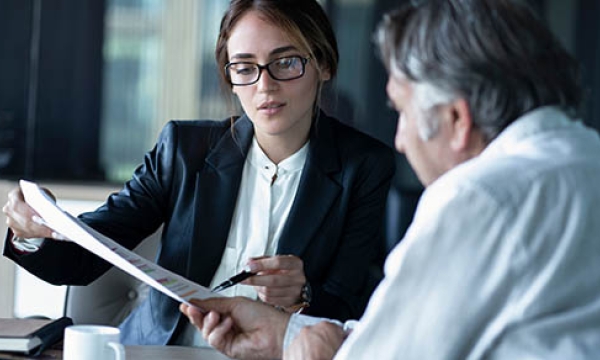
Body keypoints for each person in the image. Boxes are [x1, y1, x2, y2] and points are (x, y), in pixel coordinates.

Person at [179, 0, 600, 358]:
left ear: (456, 119)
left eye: (402, 111)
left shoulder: (479, 196)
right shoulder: (585, 159)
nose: (399, 140)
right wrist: (283, 334)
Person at [2, 0, 395, 346]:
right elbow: (85, 257)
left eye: (286, 62)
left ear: (323, 65)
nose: (265, 86)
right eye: (245, 68)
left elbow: (355, 305)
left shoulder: (364, 166)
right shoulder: (183, 149)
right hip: (160, 353)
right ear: (230, 77)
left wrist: (303, 295)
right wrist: (31, 231)